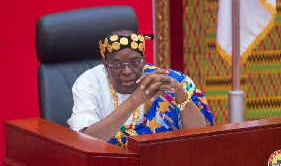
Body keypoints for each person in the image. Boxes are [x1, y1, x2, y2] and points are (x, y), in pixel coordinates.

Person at [68, 30, 213, 148]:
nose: (127, 71)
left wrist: (179, 92)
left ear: (143, 61)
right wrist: (135, 100)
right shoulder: (89, 83)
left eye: (134, 62)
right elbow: (85, 142)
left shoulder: (166, 81)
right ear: (106, 65)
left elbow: (199, 137)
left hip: (163, 165)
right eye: (117, 64)